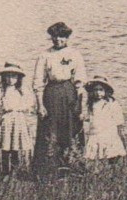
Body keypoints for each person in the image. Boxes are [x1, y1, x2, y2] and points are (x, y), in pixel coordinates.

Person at [32, 21, 86, 173]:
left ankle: (72, 166)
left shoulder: (75, 54)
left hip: (69, 94)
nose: (58, 40)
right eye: (55, 37)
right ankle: (47, 169)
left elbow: (80, 82)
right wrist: (40, 105)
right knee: (49, 130)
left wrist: (81, 105)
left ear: (67, 38)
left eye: (62, 37)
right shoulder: (45, 55)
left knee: (71, 129)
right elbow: (38, 82)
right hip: (51, 94)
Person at [0, 63, 36, 176]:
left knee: (16, 147)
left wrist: (29, 122)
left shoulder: (23, 91)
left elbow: (30, 106)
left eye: (14, 76)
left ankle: (15, 173)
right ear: (3, 77)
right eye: (8, 76)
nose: (10, 79)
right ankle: (5, 172)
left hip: (19, 121)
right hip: (6, 121)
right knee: (5, 148)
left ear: (19, 78)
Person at [81, 77, 126, 163]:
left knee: (111, 155)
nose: (98, 93)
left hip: (109, 134)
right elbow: (88, 117)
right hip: (95, 134)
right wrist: (82, 117)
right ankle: (98, 172)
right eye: (95, 90)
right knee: (95, 156)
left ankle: (112, 171)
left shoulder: (111, 103)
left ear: (106, 91)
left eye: (101, 90)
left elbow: (119, 119)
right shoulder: (91, 104)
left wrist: (120, 133)